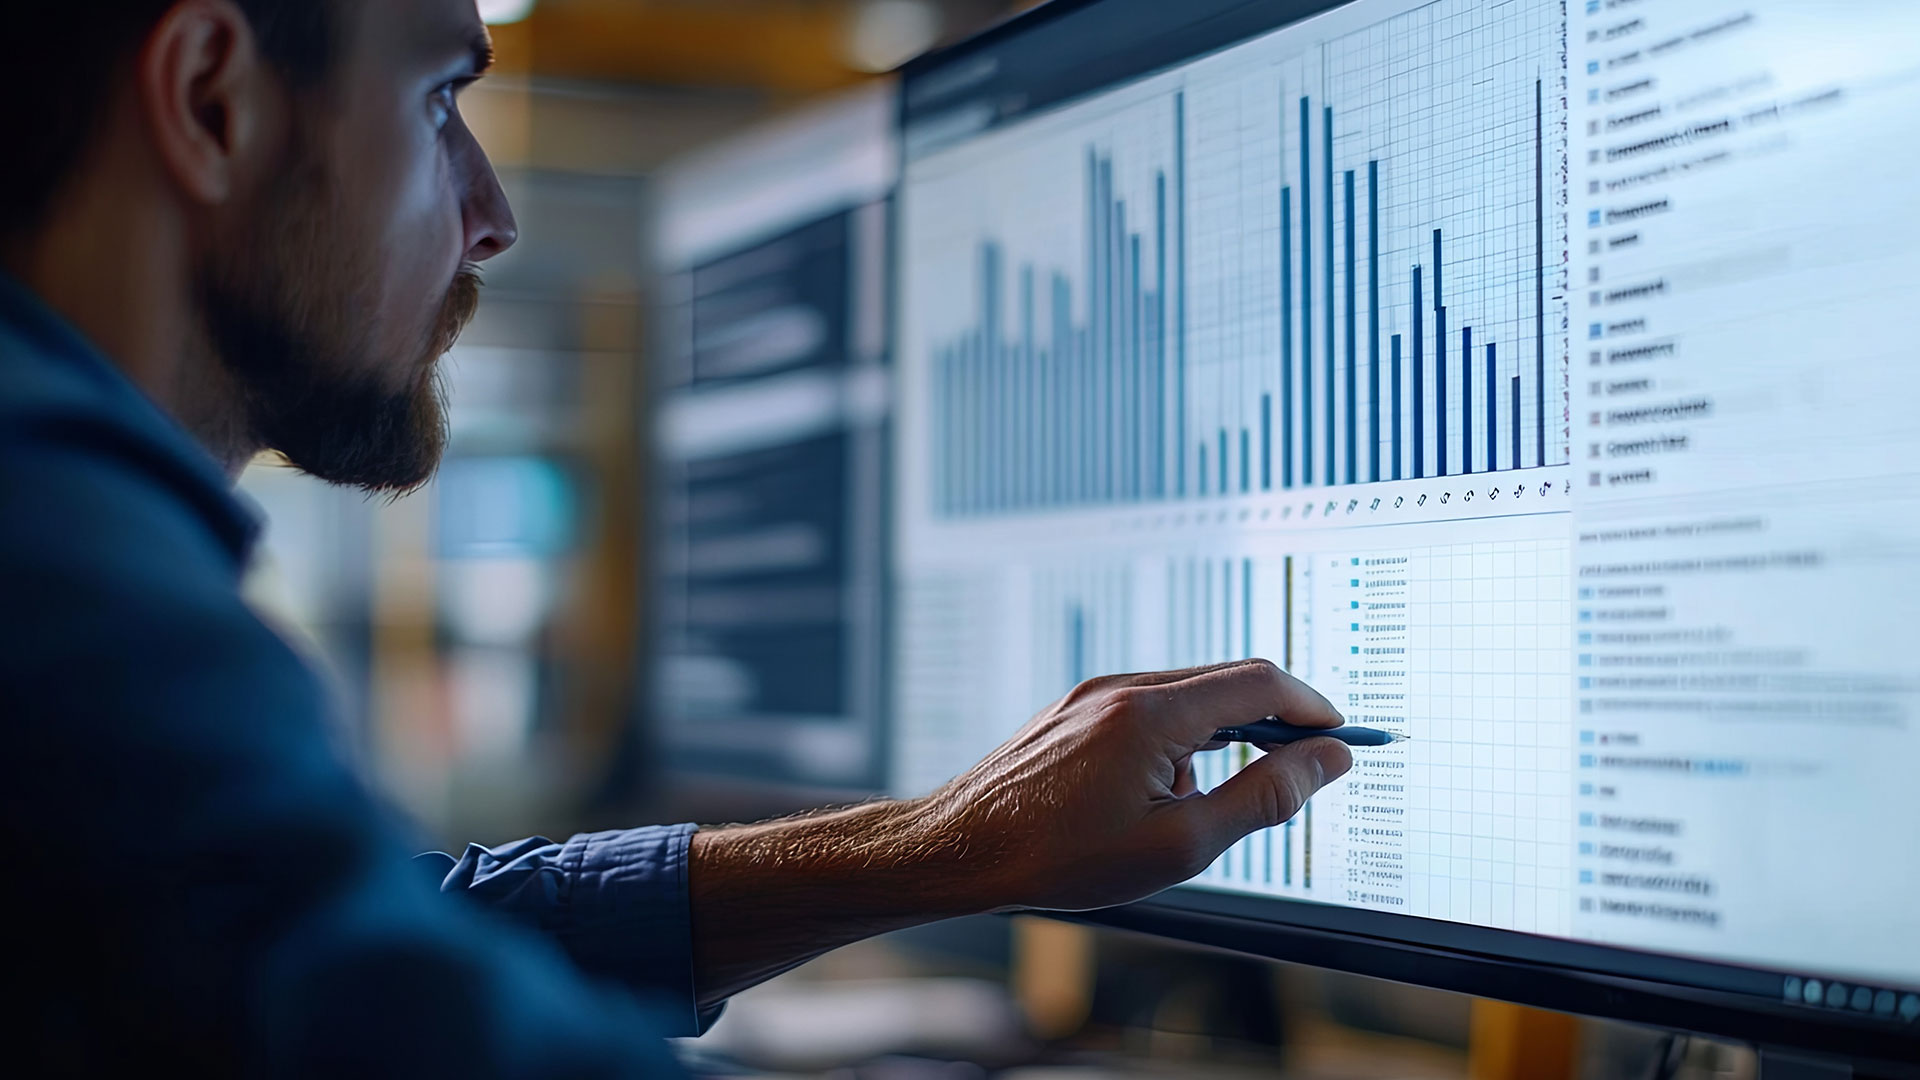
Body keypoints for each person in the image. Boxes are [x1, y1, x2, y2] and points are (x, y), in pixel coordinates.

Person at [0, 0, 1355, 1074]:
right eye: (438, 100)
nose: (492, 216)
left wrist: (952, 845)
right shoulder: (62, 586)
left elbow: (343, 938)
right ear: (211, 101)